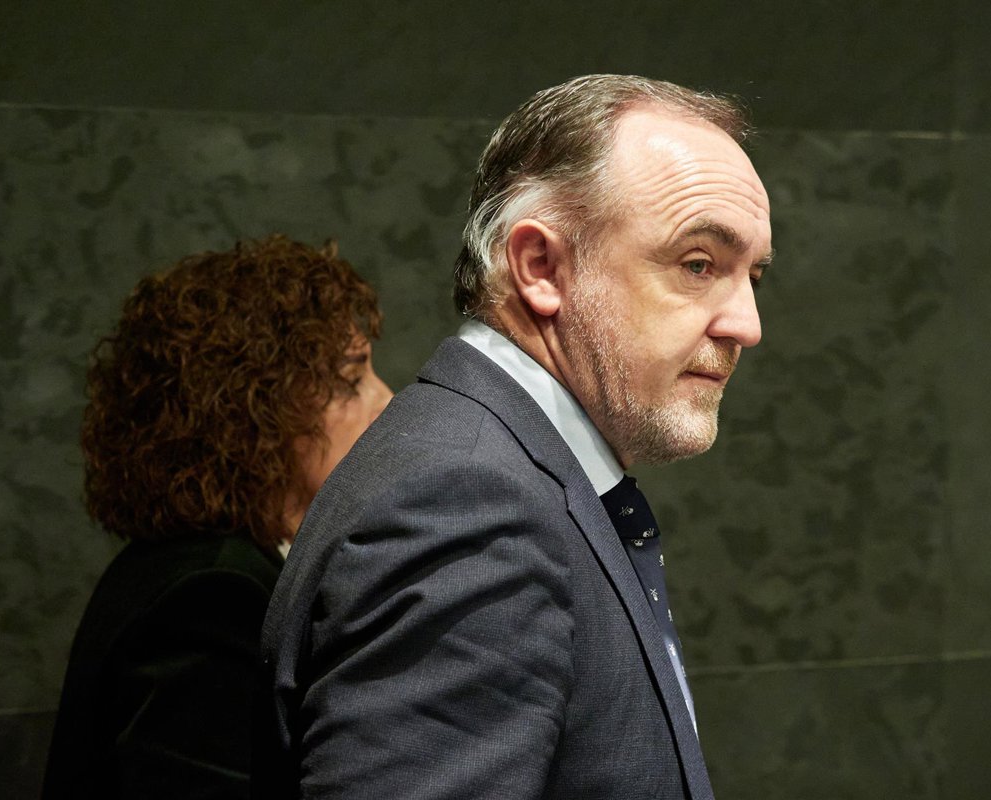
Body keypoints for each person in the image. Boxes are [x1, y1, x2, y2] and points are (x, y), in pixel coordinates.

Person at [262, 74, 772, 800]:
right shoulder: (465, 507)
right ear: (541, 268)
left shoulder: (501, 474)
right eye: (698, 264)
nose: (747, 325)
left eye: (755, 276)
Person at [42, 236, 392, 799]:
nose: (388, 400)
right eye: (351, 380)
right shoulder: (212, 597)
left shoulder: (196, 568)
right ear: (258, 408)